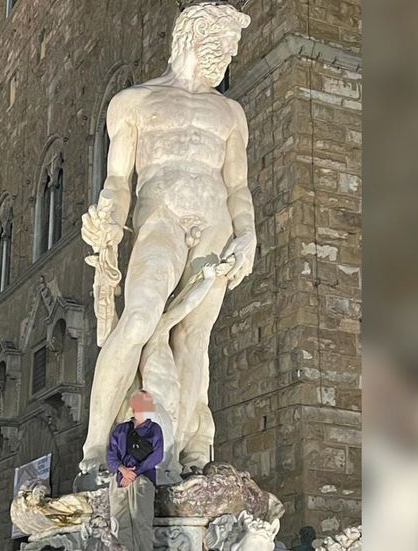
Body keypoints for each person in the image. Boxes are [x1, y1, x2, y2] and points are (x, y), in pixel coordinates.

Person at [79, 2, 254, 475]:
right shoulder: (134, 102)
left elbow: (238, 186)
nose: (229, 56)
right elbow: (118, 180)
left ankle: (181, 451)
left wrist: (249, 234)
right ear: (193, 37)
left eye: (234, 49)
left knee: (194, 337)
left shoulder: (231, 113)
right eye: (224, 45)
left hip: (215, 221)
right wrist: (108, 215)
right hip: (160, 217)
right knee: (137, 320)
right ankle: (96, 448)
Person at [107, 390, 164, 551]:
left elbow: (157, 455)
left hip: (142, 480)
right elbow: (111, 454)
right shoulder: (120, 430)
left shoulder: (154, 429)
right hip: (120, 480)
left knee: (142, 523)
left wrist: (133, 473)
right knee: (119, 525)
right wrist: (123, 470)